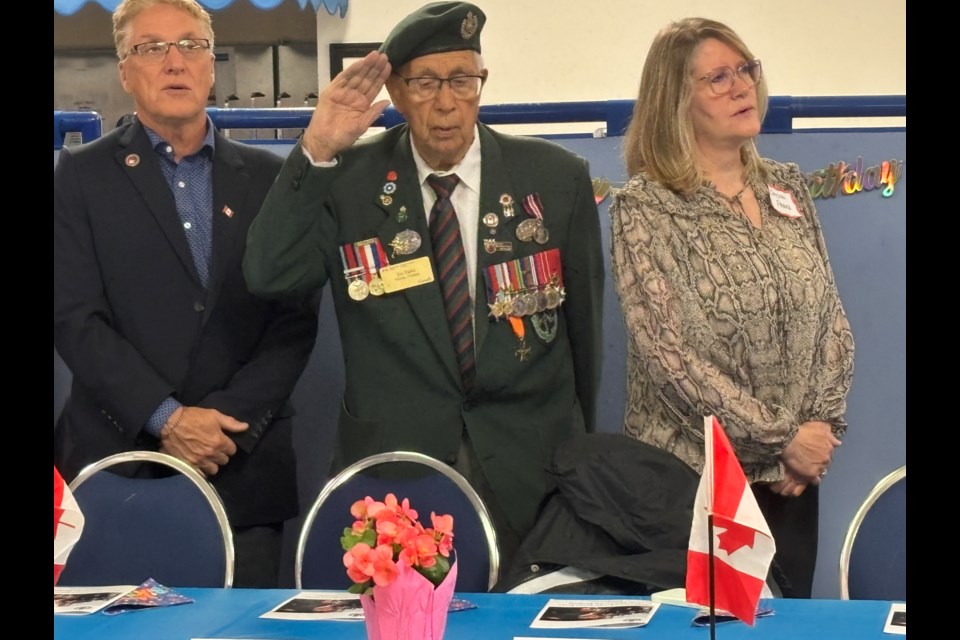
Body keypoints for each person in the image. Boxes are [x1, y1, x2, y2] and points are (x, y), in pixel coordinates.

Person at [243, 1, 604, 567]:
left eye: (463, 80)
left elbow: (585, 338)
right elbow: (269, 274)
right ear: (396, 89)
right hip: (396, 475)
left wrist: (574, 452)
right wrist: (316, 149)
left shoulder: (554, 178)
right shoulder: (351, 181)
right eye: (426, 82)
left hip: (529, 470)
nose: (446, 102)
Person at [53, 0, 318, 587]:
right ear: (126, 71)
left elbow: (293, 319)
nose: (175, 62)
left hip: (241, 469)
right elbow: (73, 318)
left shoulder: (271, 179)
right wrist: (167, 418)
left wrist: (223, 422)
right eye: (152, 48)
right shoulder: (78, 176)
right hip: (119, 472)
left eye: (191, 45)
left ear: (211, 64)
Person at [609, 17, 854, 598]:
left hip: (794, 482)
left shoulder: (789, 188)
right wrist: (782, 441)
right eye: (718, 77)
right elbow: (670, 360)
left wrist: (817, 433)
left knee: (786, 624)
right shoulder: (646, 208)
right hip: (697, 486)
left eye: (746, 70)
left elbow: (831, 323)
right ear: (676, 100)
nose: (742, 86)